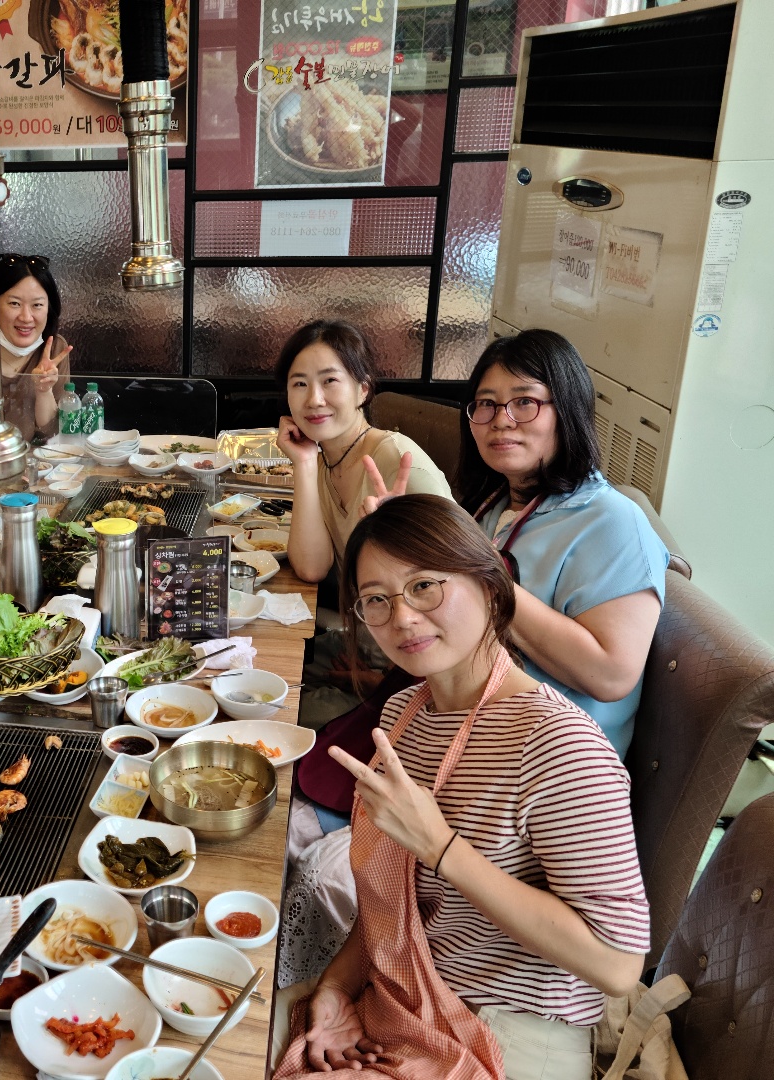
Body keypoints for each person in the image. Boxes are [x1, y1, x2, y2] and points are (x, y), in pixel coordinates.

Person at [276, 494, 649, 1080]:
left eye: (425, 586)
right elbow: (396, 904)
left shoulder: (558, 744)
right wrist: (337, 988)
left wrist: (440, 846)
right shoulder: (405, 714)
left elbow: (618, 963)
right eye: (377, 599)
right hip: (408, 992)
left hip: (512, 1029)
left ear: (491, 586)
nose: (403, 618)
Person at [458, 329, 667, 758]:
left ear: (568, 410)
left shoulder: (611, 521)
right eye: (486, 403)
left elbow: (611, 675)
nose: (501, 419)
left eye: (524, 401)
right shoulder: (494, 505)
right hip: (469, 725)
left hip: (546, 763)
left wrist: (480, 573)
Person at [273, 319, 453, 730]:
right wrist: (304, 463)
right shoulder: (325, 456)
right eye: (299, 384)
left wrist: (385, 679)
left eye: (330, 381)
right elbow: (312, 567)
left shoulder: (399, 463)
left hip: (408, 670)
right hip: (361, 643)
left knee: (277, 719)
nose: (314, 399)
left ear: (363, 390)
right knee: (252, 678)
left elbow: (453, 595)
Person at [0, 252, 73, 442]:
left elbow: (52, 435)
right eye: (14, 303)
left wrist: (44, 390)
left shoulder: (55, 349)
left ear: (49, 308)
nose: (26, 317)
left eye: (37, 305)